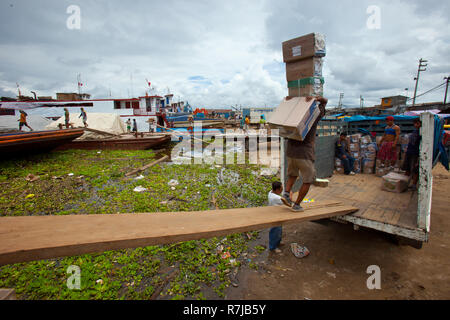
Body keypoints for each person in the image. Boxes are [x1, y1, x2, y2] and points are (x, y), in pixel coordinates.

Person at [282, 96, 328, 212]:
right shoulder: (311, 119)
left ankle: (286, 194)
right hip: (304, 154)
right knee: (308, 180)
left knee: (292, 174)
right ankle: (297, 204)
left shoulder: (290, 118)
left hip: (291, 152)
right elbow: (324, 102)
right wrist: (318, 99)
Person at [267, 181, 288, 253]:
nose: (282, 190)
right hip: (276, 216)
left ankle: (278, 242)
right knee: (275, 231)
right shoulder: (277, 198)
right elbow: (286, 203)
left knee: (279, 230)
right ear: (277, 190)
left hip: (274, 213)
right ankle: (273, 247)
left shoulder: (270, 193)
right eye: (281, 189)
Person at [402, 118, 421, 191]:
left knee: (415, 169)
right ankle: (405, 183)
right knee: (407, 168)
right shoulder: (415, 131)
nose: (416, 125)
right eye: (415, 123)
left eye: (417, 123)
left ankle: (413, 185)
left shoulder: (421, 132)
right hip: (409, 151)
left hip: (415, 153)